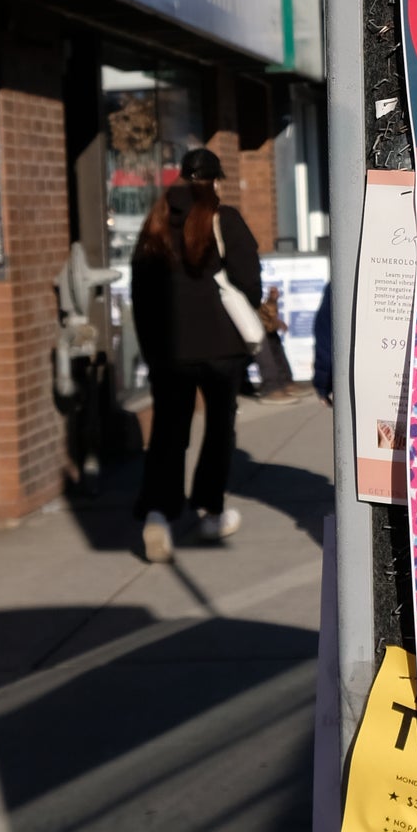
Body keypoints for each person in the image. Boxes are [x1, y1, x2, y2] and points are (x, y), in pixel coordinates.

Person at [129, 145, 264, 559]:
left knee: (169, 432)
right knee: (220, 428)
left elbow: (141, 295)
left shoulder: (154, 223)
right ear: (215, 180)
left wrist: (153, 352)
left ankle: (157, 516)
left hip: (170, 350)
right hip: (222, 348)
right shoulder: (226, 219)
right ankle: (210, 511)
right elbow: (250, 285)